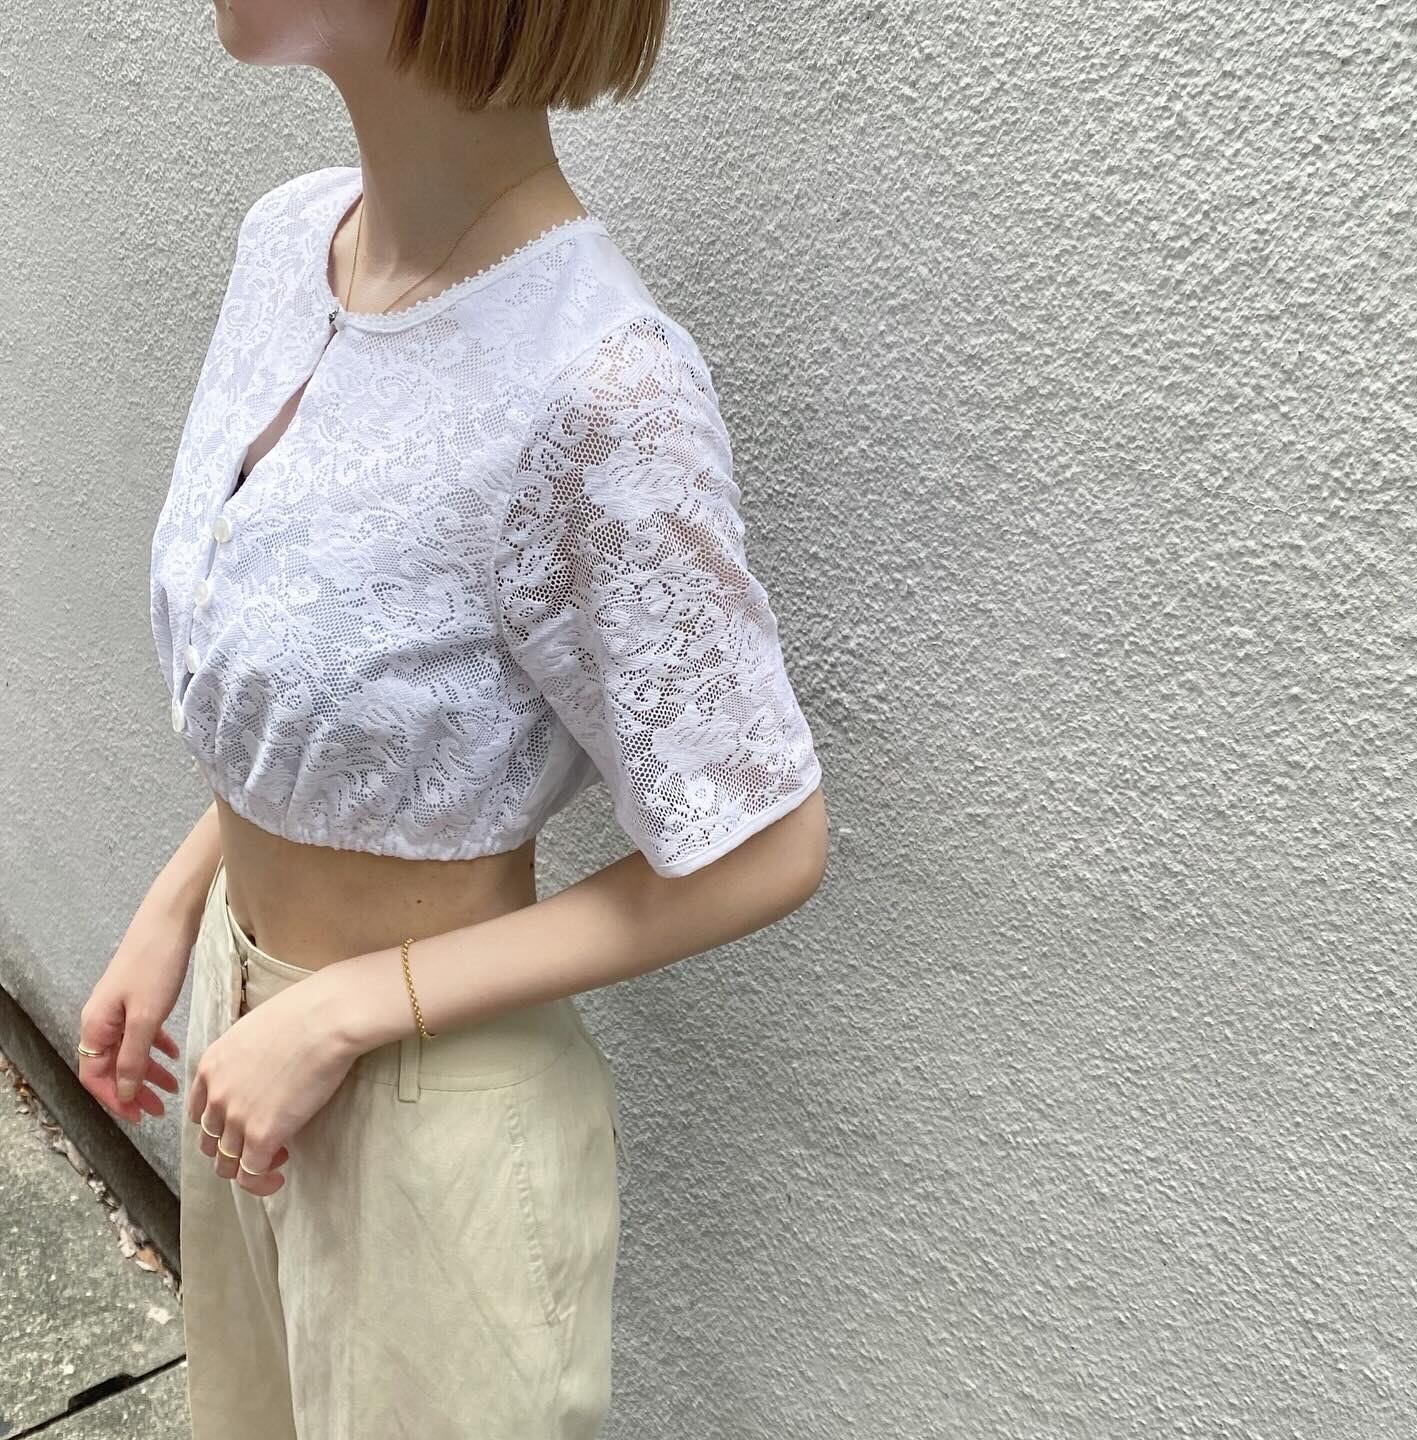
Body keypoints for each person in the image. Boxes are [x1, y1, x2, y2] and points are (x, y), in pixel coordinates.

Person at [76, 1, 828, 1435]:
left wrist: (346, 1009)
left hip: (434, 1116)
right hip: (246, 1039)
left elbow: (767, 845)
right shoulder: (287, 245)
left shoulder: (603, 383)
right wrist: (180, 907)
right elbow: (355, 705)